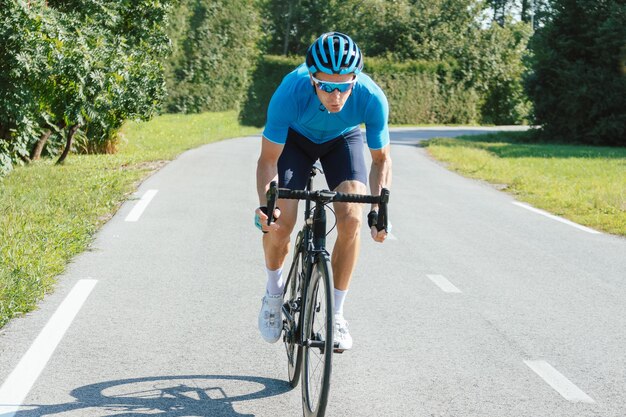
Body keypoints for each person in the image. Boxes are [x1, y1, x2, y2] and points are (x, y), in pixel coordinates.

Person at [255, 32, 392, 351]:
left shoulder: (371, 97)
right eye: (327, 86)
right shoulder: (290, 91)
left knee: (352, 220)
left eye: (344, 85)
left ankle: (336, 314)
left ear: (355, 79)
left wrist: (378, 211)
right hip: (295, 142)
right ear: (313, 80)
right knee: (280, 224)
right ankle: (274, 294)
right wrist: (266, 205)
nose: (336, 95)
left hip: (343, 142)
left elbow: (381, 160)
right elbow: (268, 160)